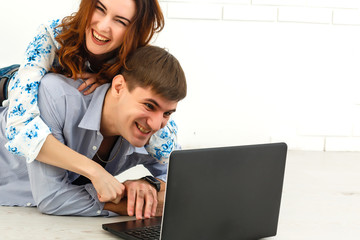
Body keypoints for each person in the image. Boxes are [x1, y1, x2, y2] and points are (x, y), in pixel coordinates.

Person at [1, 0, 180, 204]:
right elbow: (21, 127)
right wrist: (93, 170)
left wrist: (151, 182)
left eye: (120, 21)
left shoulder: (136, 60)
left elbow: (167, 148)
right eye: (100, 9)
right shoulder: (52, 35)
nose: (103, 26)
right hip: (9, 83)